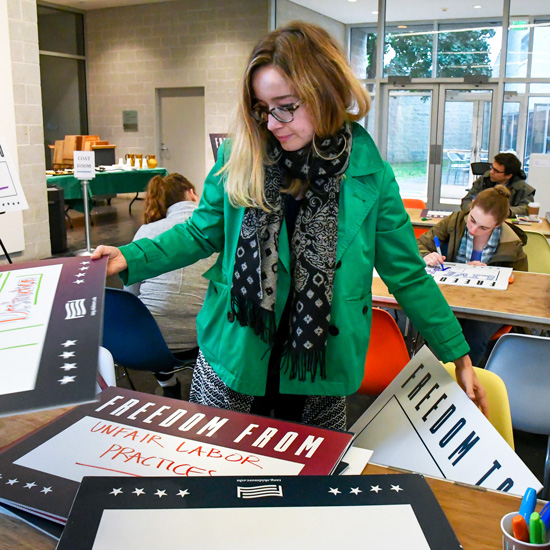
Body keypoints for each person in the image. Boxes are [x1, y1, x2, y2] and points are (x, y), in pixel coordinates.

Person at [92, 21, 487, 429]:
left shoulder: (371, 173)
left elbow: (406, 274)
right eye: (262, 109)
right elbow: (199, 231)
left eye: (286, 106)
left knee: (309, 478)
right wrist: (128, 255)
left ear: (325, 92)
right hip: (238, 346)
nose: (272, 123)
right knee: (222, 470)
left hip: (319, 357)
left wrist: (457, 354)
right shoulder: (241, 153)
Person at [125, 173, 215, 398]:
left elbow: (131, 295)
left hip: (151, 342)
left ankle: (168, 384)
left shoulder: (147, 231)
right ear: (193, 194)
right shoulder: (217, 233)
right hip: (205, 340)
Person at [418, 185, 527, 366]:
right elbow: (420, 244)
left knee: (473, 338)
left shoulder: (511, 242)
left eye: (484, 227)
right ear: (471, 207)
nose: (474, 230)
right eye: (472, 220)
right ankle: (442, 378)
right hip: (452, 296)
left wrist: (491, 273)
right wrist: (426, 255)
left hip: (488, 305)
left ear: (498, 225)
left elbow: (521, 283)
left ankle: (462, 383)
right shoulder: (454, 222)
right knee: (440, 330)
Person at [461, 152, 535, 217]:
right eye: (492, 168)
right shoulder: (484, 180)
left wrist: (505, 212)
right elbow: (466, 201)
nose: (491, 172)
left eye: (496, 171)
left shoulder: (522, 188)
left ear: (508, 175)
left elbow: (527, 208)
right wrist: (476, 209)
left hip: (508, 224)